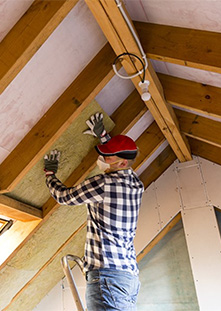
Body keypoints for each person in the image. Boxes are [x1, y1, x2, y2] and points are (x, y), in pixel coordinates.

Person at [44, 113, 144, 311]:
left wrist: (49, 174)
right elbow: (120, 157)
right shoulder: (136, 184)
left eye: (108, 156)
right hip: (127, 278)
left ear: (122, 163)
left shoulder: (104, 184)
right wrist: (104, 137)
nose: (103, 158)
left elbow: (65, 197)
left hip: (107, 278)